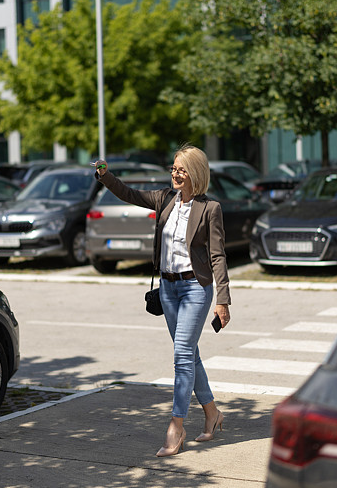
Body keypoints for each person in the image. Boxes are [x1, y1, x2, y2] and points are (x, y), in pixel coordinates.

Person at [94, 144, 231, 457]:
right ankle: (212, 413)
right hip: (169, 290)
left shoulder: (210, 209)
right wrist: (106, 176)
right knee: (189, 354)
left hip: (196, 288)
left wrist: (223, 299)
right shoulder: (165, 199)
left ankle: (176, 425)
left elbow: (217, 255)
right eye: (173, 168)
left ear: (195, 174)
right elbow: (130, 194)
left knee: (182, 354)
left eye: (181, 170)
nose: (175, 174)